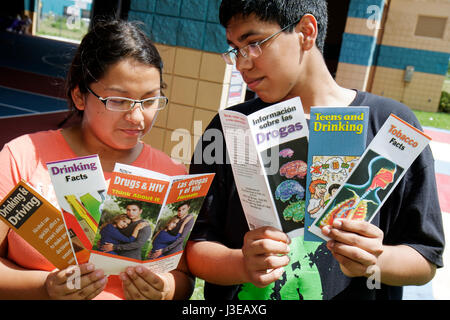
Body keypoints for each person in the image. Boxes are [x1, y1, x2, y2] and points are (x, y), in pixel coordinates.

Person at [187, 0, 445, 300]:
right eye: (235, 49)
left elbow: (425, 258)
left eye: (254, 44)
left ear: (306, 32)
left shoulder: (390, 125)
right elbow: (195, 245)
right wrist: (242, 264)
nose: (243, 63)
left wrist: (376, 259)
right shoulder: (231, 126)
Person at [0, 19, 194, 300]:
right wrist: (43, 287)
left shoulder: (171, 173)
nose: (137, 117)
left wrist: (165, 290)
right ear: (80, 96)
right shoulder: (22, 157)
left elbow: (184, 278)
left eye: (150, 100)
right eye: (118, 101)